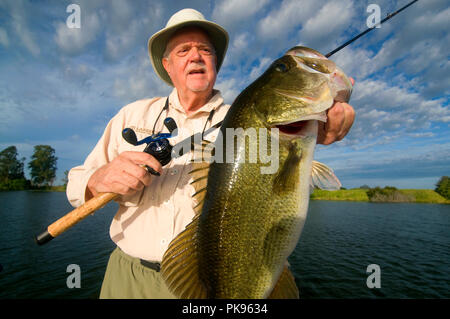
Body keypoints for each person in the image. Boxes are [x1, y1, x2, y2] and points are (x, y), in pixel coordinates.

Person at [66, 8, 355, 299]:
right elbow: (75, 186)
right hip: (127, 279)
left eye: (205, 49)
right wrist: (96, 180)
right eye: (183, 50)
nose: (196, 56)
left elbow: (329, 109)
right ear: (167, 65)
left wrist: (335, 108)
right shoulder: (131, 115)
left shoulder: (243, 119)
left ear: (215, 62)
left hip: (210, 280)